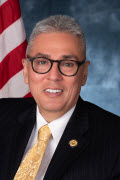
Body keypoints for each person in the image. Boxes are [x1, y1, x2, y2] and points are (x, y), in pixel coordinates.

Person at [0, 15, 120, 180]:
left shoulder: (115, 141)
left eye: (68, 64)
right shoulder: (3, 115)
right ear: (26, 71)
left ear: (84, 73)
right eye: (42, 62)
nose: (54, 76)